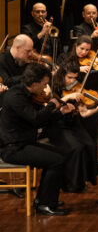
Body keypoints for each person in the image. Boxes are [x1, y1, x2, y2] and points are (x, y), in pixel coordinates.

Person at [0, 63, 81, 215]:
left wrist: (61, 112)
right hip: (13, 148)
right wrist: (51, 105)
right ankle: (45, 204)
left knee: (62, 154)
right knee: (56, 160)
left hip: (24, 143)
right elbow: (36, 119)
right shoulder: (15, 97)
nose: (45, 89)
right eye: (43, 85)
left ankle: (43, 199)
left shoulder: (26, 94)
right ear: (35, 83)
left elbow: (41, 119)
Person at [49, 61, 98, 193]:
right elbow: (50, 111)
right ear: (61, 75)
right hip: (58, 126)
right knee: (76, 148)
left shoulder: (77, 89)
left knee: (90, 145)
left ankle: (82, 180)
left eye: (75, 78)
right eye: (69, 77)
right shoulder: (53, 88)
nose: (72, 81)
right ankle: (70, 184)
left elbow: (84, 113)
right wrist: (66, 100)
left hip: (73, 123)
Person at [0, 35, 34, 105]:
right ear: (18, 48)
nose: (31, 54)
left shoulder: (24, 60)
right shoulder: (2, 60)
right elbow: (6, 82)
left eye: (32, 50)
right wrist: (26, 76)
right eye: (28, 51)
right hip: (8, 102)